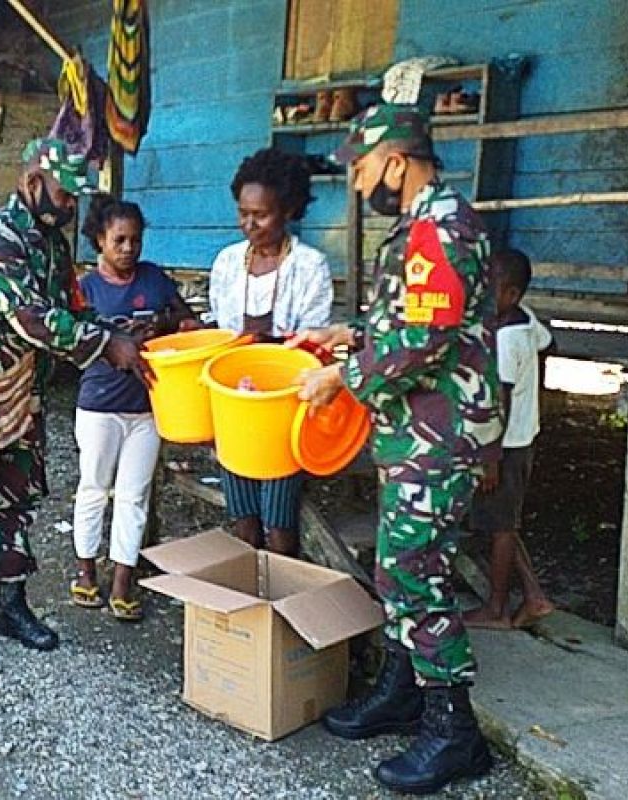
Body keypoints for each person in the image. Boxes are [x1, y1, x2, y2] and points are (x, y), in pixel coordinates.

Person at [291, 104, 503, 794]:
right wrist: (346, 336)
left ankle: (454, 731)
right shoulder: (421, 227)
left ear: (395, 161)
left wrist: (340, 378)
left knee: (413, 573)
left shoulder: (442, 227)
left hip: (437, 436)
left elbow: (425, 341)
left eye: (359, 169)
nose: (356, 186)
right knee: (399, 566)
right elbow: (408, 319)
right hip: (416, 432)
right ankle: (404, 689)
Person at [0, 138, 149, 671]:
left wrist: (116, 329)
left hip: (22, 390)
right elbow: (34, 318)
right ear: (34, 181)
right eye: (66, 194)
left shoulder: (53, 245)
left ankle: (10, 604)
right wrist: (106, 346)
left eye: (77, 198)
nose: (72, 207)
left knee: (15, 497)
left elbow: (72, 308)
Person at [69, 194, 199, 622]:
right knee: (93, 488)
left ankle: (123, 581)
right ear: (99, 242)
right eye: (119, 240)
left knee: (133, 496)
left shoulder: (155, 279)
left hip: (147, 409)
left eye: (135, 241)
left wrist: (166, 324)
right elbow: (70, 347)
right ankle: (86, 572)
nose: (128, 249)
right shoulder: (85, 290)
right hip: (99, 407)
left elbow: (185, 319)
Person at [207, 147, 334, 556]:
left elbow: (314, 342)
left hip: (284, 403)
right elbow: (219, 330)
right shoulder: (227, 263)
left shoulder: (310, 266)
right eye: (243, 213)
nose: (249, 224)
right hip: (235, 402)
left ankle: (280, 598)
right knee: (242, 512)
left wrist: (267, 348)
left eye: (260, 215)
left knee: (280, 517)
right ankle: (250, 601)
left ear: (288, 210)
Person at [464, 249, 555, 630]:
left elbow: (497, 402)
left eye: (491, 291)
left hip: (504, 446)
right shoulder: (526, 321)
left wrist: (490, 458)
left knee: (501, 528)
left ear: (512, 294)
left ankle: (497, 609)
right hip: (522, 437)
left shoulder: (504, 341)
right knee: (505, 519)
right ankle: (534, 597)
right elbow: (548, 343)